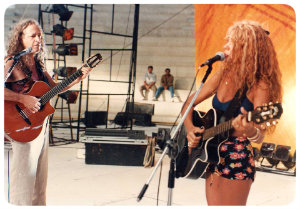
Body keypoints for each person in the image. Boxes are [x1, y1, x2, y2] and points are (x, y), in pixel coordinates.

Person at [181, 20, 282, 205]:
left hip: (237, 156)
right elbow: (188, 104)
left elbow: (259, 136)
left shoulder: (260, 84)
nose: (225, 45)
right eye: (227, 40)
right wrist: (190, 130)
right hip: (211, 153)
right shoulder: (222, 73)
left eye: (231, 41)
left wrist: (249, 130)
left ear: (247, 48)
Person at [4, 19, 92, 205]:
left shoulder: (38, 63)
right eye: (33, 36)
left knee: (39, 182)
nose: (38, 40)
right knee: (23, 182)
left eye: (40, 36)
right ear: (21, 38)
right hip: (21, 124)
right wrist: (23, 99)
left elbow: (53, 88)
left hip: (41, 125)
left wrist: (77, 78)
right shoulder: (12, 61)